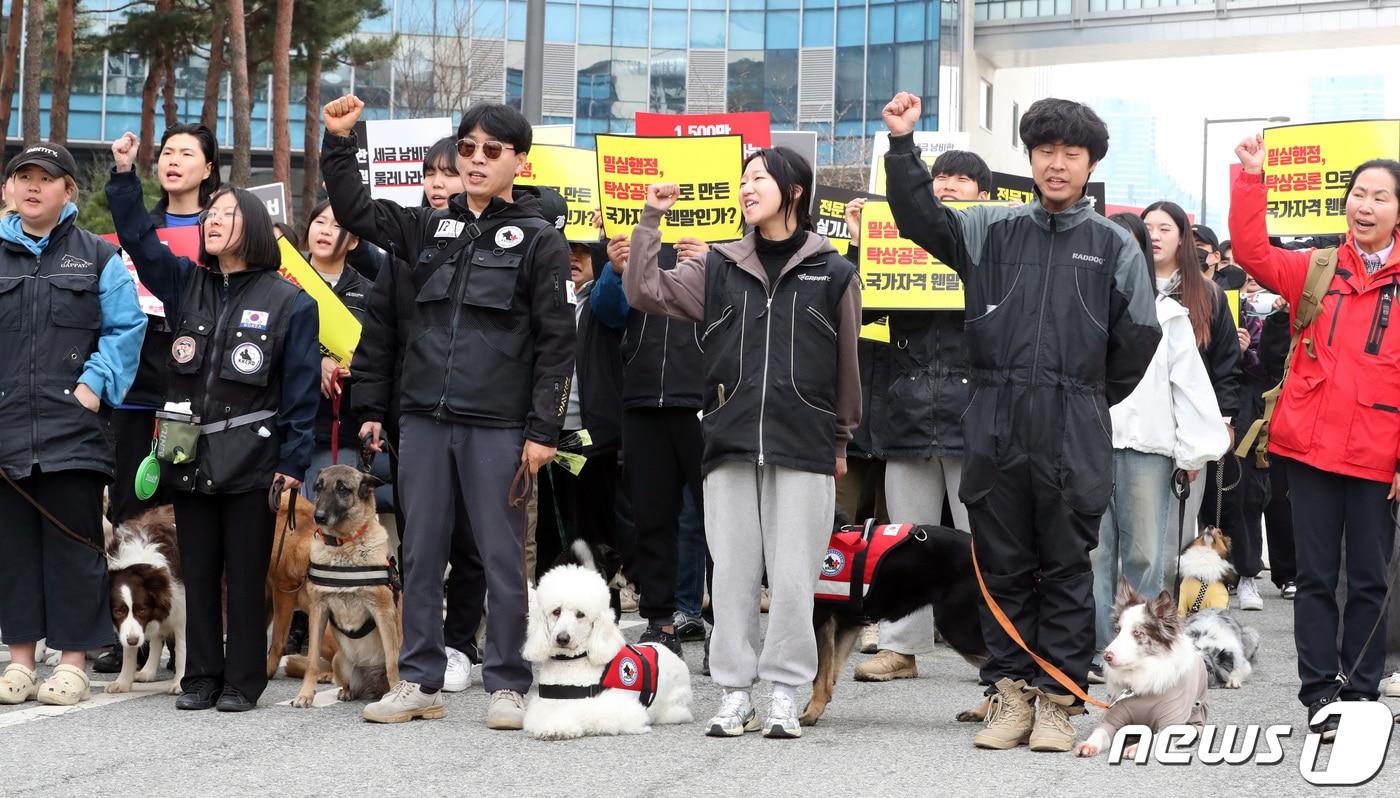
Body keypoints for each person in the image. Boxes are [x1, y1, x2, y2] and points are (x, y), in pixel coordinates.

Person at [882, 92, 1160, 752]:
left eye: (1071, 153)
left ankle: (1057, 704)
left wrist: (1084, 397)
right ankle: (1009, 697)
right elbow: (919, 217)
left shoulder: (1114, 245)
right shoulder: (990, 228)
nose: (1057, 164)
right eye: (1045, 151)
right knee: (1000, 568)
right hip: (995, 421)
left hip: (1074, 425)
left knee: (1065, 570)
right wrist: (901, 147)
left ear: (1091, 163)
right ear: (1030, 159)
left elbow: (1139, 339)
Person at [320, 94, 575, 729]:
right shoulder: (425, 226)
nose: (476, 159)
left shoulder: (541, 240)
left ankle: (508, 684)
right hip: (424, 420)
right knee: (421, 554)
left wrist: (543, 429)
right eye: (467, 148)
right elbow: (353, 209)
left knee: (501, 558)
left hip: (498, 425)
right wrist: (340, 142)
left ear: (519, 160)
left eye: (492, 150)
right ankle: (417, 680)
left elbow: (557, 343)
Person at [624, 146, 862, 739]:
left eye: (758, 178)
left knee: (793, 577)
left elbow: (848, 369)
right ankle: (735, 693)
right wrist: (650, 220)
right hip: (728, 441)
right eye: (743, 180)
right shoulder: (718, 266)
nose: (746, 188)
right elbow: (645, 290)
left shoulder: (834, 272)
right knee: (731, 575)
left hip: (804, 444)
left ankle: (784, 690)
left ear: (794, 191)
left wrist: (839, 442)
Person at [107, 131, 320, 712]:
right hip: (188, 453)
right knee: (198, 570)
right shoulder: (186, 282)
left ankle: (242, 681)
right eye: (211, 216)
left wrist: (293, 461)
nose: (213, 222)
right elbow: (139, 241)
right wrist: (124, 177)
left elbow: (301, 392)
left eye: (227, 214)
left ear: (254, 228)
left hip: (253, 457)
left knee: (245, 575)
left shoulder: (291, 302)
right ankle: (201, 675)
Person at [1229, 137, 1400, 739]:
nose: (1366, 206)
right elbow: (1252, 250)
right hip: (1310, 448)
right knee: (1317, 577)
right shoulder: (1317, 267)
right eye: (1359, 194)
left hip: (1380, 455)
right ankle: (1320, 694)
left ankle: (1362, 690)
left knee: (1371, 580)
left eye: (1381, 197)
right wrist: (1253, 179)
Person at [0, 143, 146, 707]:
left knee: (74, 547)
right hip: (8, 427)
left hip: (74, 428)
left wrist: (95, 385)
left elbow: (127, 328)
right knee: (13, 549)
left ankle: (72, 662)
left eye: (46, 178)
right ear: (9, 189)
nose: (33, 186)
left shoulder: (99, 256)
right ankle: (19, 661)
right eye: (23, 177)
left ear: (68, 190)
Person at [855, 150, 989, 684]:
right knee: (905, 543)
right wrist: (864, 247)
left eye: (962, 178)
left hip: (973, 418)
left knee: (981, 543)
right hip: (907, 414)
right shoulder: (897, 240)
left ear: (984, 194)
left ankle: (996, 646)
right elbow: (863, 313)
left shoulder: (993, 246)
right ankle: (900, 648)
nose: (949, 185)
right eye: (941, 177)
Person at [96, 123, 223, 676]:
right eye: (167, 151)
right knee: (131, 510)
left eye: (186, 153)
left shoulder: (224, 229)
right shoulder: (135, 231)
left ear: (209, 168)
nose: (173, 160)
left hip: (198, 398)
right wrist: (123, 173)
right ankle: (130, 632)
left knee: (191, 513)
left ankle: (193, 636)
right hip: (137, 393)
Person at [1087, 212, 1228, 682]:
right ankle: (1100, 651)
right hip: (1088, 444)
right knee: (1093, 554)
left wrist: (1193, 450)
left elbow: (1189, 385)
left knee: (1146, 556)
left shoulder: (1168, 314)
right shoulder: (1082, 302)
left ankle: (1148, 652)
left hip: (1148, 448)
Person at [591, 226, 709, 654]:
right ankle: (660, 622)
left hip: (705, 402)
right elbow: (608, 314)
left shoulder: (725, 245)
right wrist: (613, 269)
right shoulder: (638, 239)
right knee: (651, 518)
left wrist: (715, 265)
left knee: (720, 522)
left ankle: (727, 629)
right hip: (641, 402)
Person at [1142, 204, 1243, 597]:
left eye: (1164, 228)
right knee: (1132, 540)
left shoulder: (1208, 295)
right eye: (1147, 227)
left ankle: (1168, 616)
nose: (1154, 235)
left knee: (1176, 537)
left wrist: (1224, 423)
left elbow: (1225, 366)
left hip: (1187, 430)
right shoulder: (1122, 284)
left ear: (1182, 238)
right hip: (1135, 430)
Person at [418, 135, 487, 692]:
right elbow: (385, 329)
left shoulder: (511, 236)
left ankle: (461, 642)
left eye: (450, 173)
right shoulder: (416, 237)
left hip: (481, 413)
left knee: (471, 541)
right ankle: (419, 651)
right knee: (421, 543)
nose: (439, 183)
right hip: (418, 411)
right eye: (432, 173)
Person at [297, 200, 393, 502]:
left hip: (341, 429)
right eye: (319, 222)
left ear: (354, 241)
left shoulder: (369, 293)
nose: (325, 231)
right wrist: (316, 362)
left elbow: (379, 357)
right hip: (289, 423)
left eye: (337, 226)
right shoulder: (285, 280)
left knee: (331, 518)